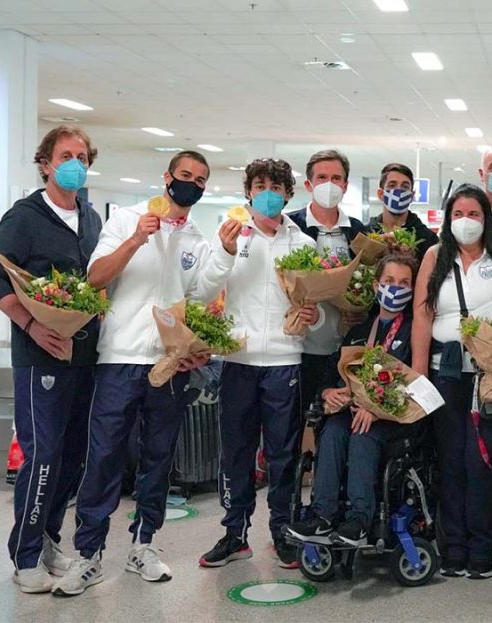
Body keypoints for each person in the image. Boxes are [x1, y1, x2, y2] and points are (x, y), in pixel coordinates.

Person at [50, 151, 240, 596]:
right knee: (104, 457)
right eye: (185, 175)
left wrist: (226, 252)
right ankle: (89, 554)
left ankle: (144, 544)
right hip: (119, 358)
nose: (191, 184)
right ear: (167, 177)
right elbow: (96, 277)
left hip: (169, 362)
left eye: (200, 180)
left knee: (159, 457)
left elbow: (200, 294)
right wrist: (136, 238)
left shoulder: (196, 237)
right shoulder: (125, 220)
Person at [0, 125, 103, 594]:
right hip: (40, 359)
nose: (75, 164)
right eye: (66, 155)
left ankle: (49, 537)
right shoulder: (25, 217)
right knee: (44, 456)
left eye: (82, 157)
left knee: (73, 457)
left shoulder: (90, 218)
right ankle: (25, 554)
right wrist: (31, 324)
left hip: (84, 357)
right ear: (45, 163)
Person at [199, 158, 317, 569]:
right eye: (260, 186)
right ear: (248, 191)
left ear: (288, 194)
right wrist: (226, 252)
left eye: (276, 187)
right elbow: (204, 290)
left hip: (285, 360)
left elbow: (313, 306)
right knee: (236, 452)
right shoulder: (230, 234)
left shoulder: (302, 244)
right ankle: (235, 533)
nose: (267, 194)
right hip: (238, 359)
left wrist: (311, 316)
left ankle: (282, 530)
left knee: (283, 454)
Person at [412, 183, 492, 579]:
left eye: (474, 214)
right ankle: (454, 549)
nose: (466, 221)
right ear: (448, 219)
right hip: (445, 374)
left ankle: (483, 549)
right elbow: (423, 317)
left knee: (482, 462)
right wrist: (418, 376)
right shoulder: (434, 257)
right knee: (450, 461)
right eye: (458, 214)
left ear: (487, 219)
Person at [284, 254, 419, 547]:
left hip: (392, 420)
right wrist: (326, 392)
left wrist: (377, 409)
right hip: (354, 412)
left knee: (361, 435)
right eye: (389, 281)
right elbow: (334, 368)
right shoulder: (359, 332)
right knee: (333, 430)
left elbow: (412, 383)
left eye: (404, 283)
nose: (396, 288)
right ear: (376, 286)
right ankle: (322, 515)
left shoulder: (413, 331)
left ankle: (359, 520)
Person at [286, 149, 368, 421]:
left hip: (341, 350)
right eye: (322, 178)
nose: (329, 184)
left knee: (335, 426)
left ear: (345, 185)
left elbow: (367, 280)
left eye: (336, 178)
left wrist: (360, 310)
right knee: (293, 424)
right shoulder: (291, 227)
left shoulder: (356, 231)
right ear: (309, 184)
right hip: (299, 349)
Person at [368, 162, 438, 260]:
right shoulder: (366, 233)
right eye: (392, 185)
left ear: (412, 196)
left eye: (405, 187)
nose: (399, 191)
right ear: (381, 194)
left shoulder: (427, 239)